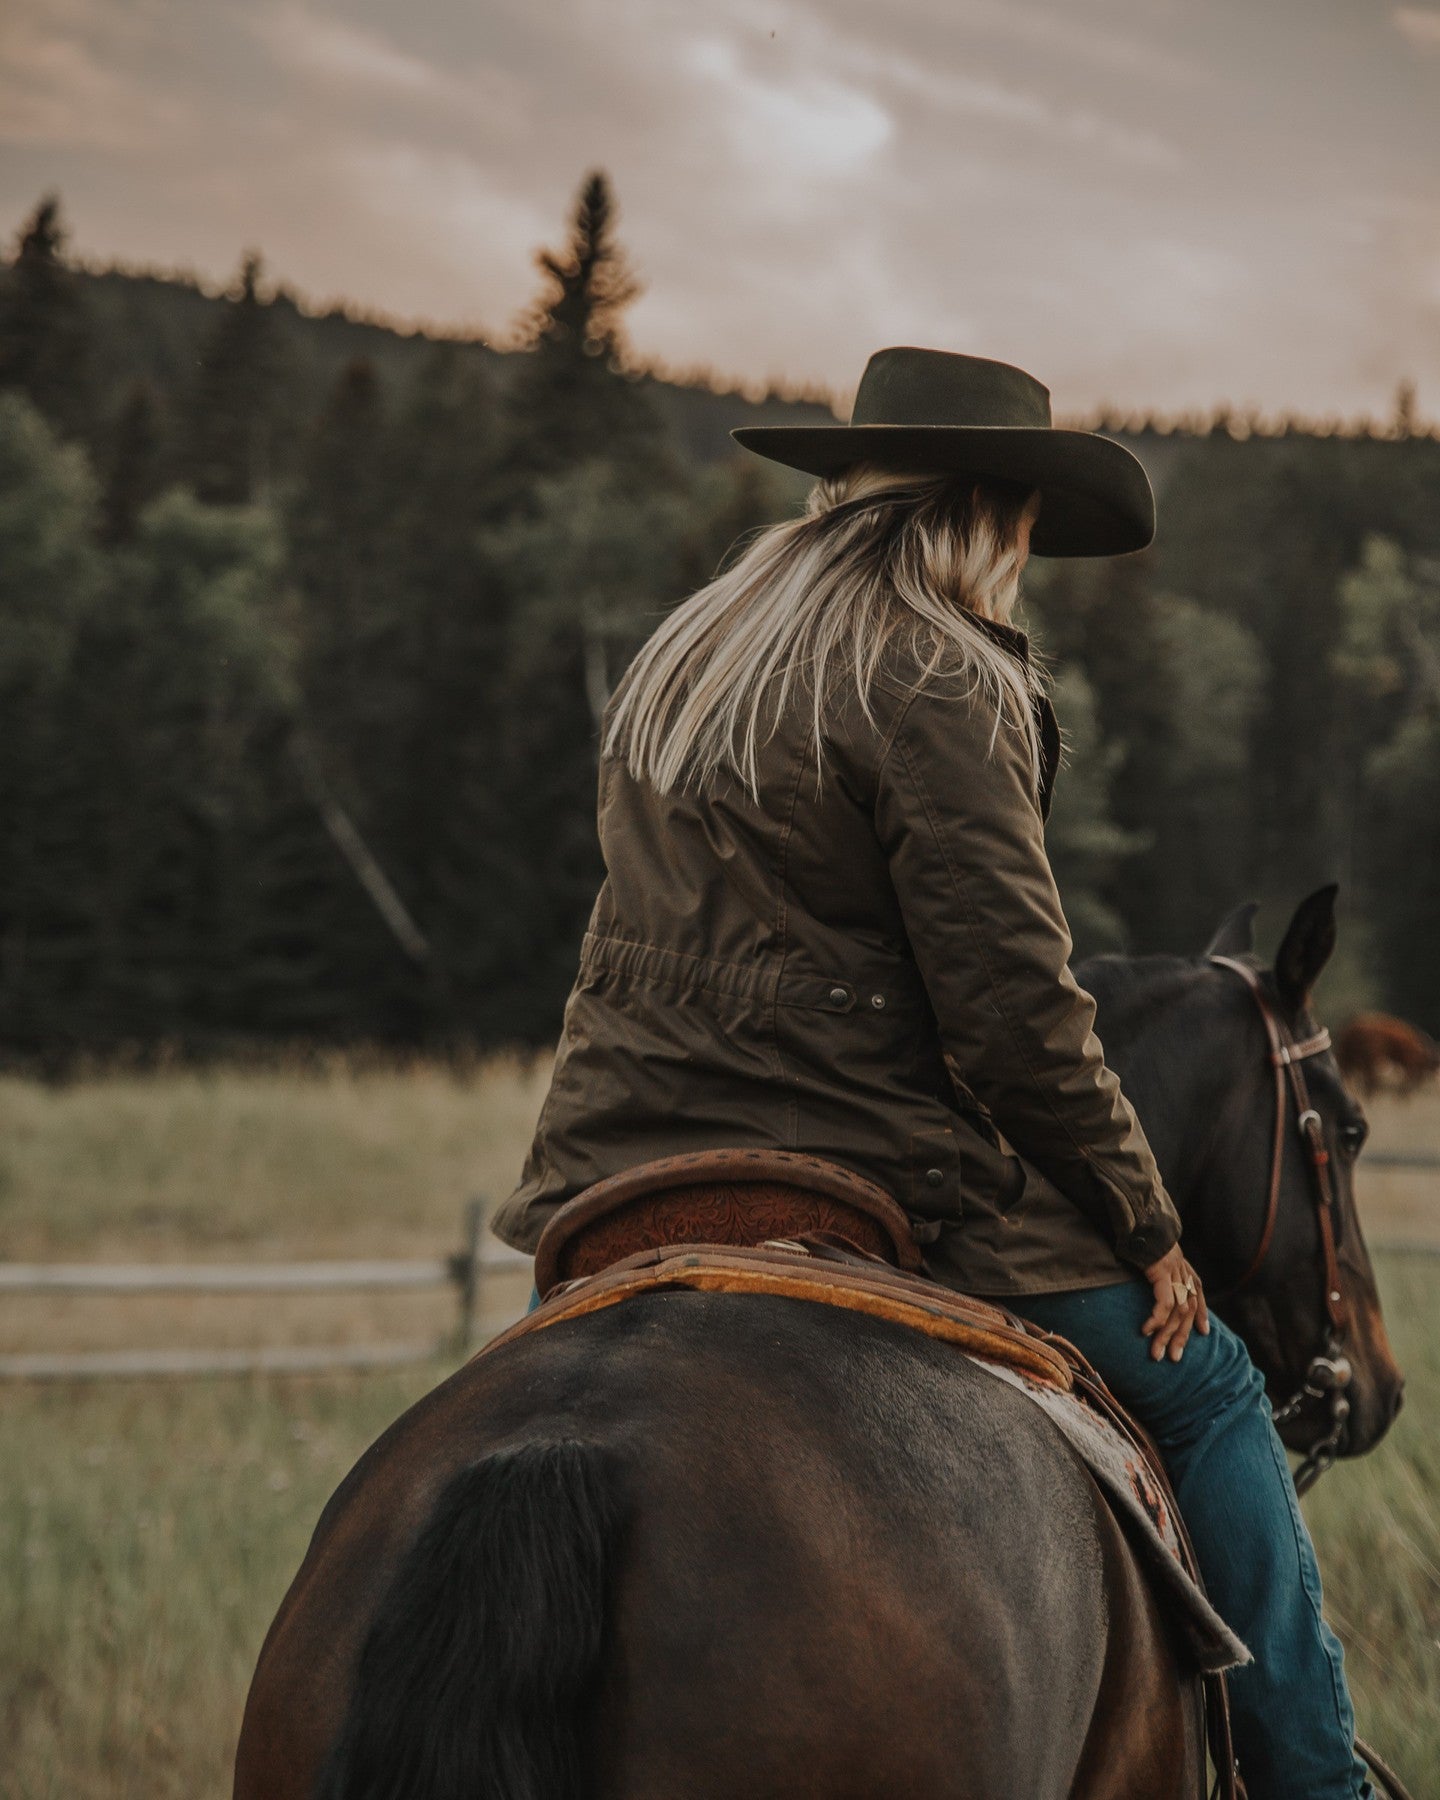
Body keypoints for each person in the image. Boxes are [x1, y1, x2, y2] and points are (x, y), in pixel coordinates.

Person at [493, 347, 1372, 1800]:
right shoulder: (939, 674)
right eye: (1026, 526)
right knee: (1211, 1386)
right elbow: (1016, 1020)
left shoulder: (694, 657)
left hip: (619, 1165)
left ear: (846, 485)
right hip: (874, 1166)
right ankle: (1313, 1783)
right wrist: (1149, 1228)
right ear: (988, 515)